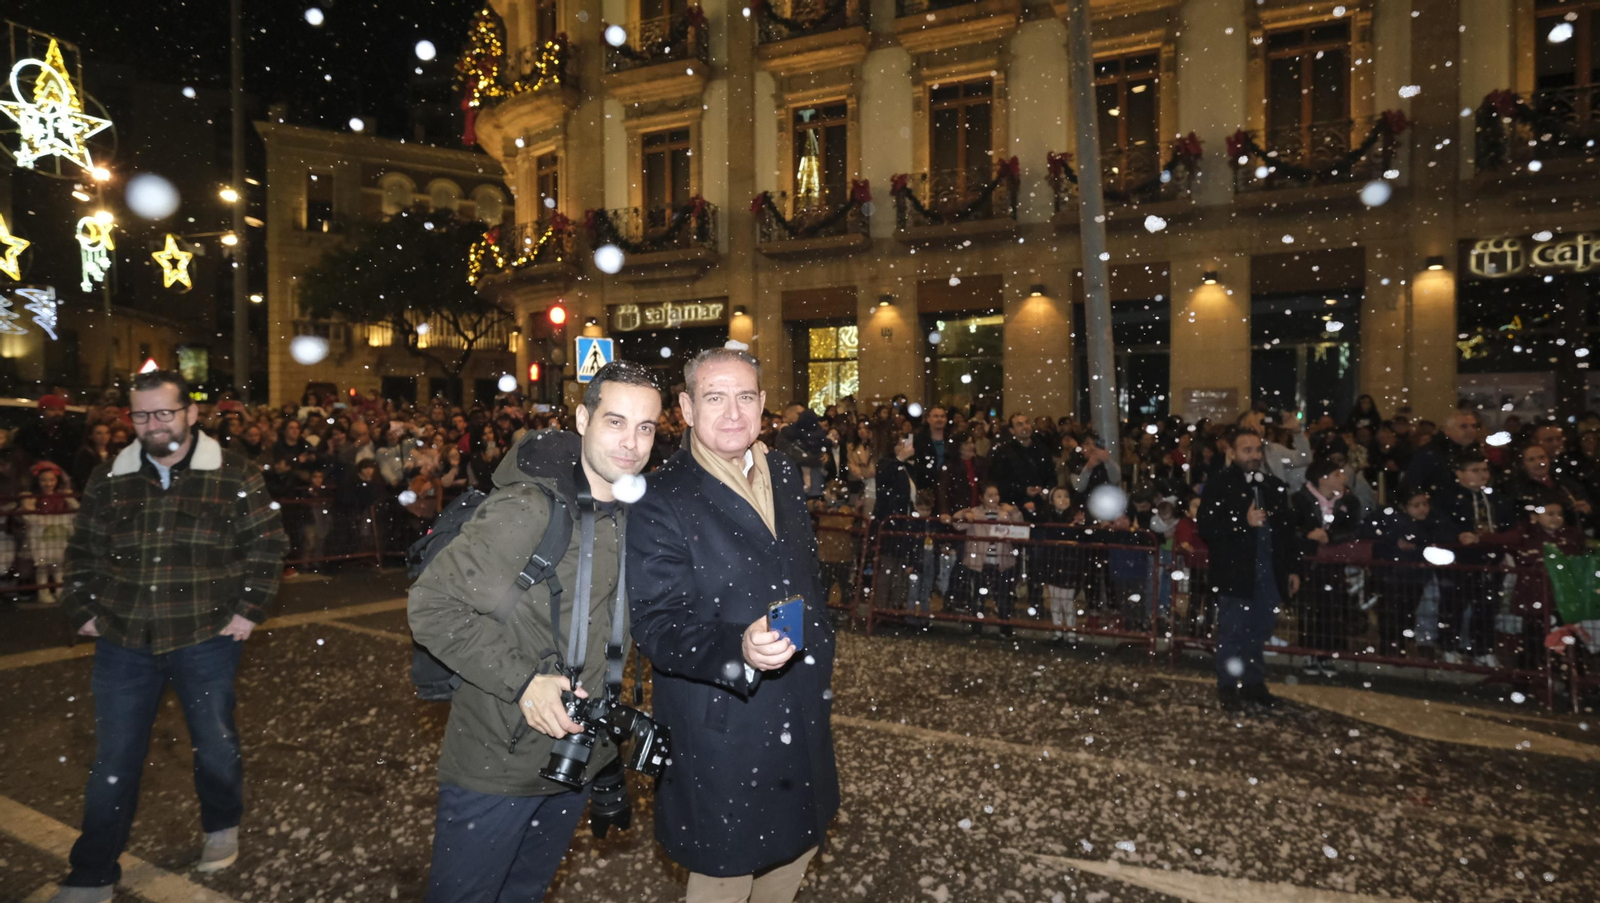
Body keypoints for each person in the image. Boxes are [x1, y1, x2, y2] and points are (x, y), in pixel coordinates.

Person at [408, 362, 662, 903]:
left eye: (645, 427)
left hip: (572, 760)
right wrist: (525, 681)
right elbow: (432, 606)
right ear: (582, 418)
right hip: (495, 764)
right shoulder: (528, 508)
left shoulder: (631, 515)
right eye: (616, 422)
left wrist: (607, 757)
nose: (631, 442)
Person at [51, 370, 288, 903]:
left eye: (163, 413)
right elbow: (82, 548)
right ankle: (92, 872)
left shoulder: (234, 474)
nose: (152, 425)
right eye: (140, 415)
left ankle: (222, 823)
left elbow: (268, 544)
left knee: (216, 746)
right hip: (124, 637)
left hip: (205, 635)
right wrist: (80, 606)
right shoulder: (110, 475)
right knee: (114, 760)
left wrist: (249, 610)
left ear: (191, 414)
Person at [627, 347, 838, 903]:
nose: (732, 413)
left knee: (795, 853)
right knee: (725, 871)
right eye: (714, 398)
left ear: (764, 404)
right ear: (687, 409)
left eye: (745, 397)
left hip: (799, 704)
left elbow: (799, 571)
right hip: (723, 723)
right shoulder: (660, 496)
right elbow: (656, 625)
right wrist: (736, 649)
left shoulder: (784, 471)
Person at [1197, 428, 1300, 712]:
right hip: (1235, 573)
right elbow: (1206, 529)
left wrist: (1292, 569)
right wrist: (1242, 521)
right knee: (1233, 631)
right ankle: (1228, 685)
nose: (1254, 456)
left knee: (1260, 630)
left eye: (1257, 450)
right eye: (1247, 450)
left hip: (1267, 573)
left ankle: (1255, 682)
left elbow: (1287, 534)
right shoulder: (1219, 485)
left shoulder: (1274, 486)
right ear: (1231, 452)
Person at [1433, 449, 1511, 667]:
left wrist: (1495, 539)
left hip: (1490, 559)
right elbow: (1439, 524)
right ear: (1459, 473)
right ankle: (1448, 647)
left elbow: (1507, 524)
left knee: (1487, 608)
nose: (1482, 475)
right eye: (1475, 470)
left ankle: (1483, 649)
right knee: (1453, 606)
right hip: (1459, 560)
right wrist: (1457, 535)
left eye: (1485, 469)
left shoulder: (1496, 497)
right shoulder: (1446, 496)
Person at [1287, 459, 1363, 674]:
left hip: (1333, 563)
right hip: (1308, 563)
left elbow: (1355, 529)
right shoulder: (1300, 499)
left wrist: (1330, 536)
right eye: (1338, 474)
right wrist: (1308, 534)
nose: (1344, 478)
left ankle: (1327, 654)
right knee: (1309, 609)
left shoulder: (1349, 501)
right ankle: (1310, 653)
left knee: (1332, 609)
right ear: (1323, 479)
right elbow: (1290, 527)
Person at [989, 412, 1054, 509]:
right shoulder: (1004, 452)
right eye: (1019, 425)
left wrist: (1044, 490)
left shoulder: (1042, 449)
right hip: (1014, 506)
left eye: (1027, 423)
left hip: (1040, 505)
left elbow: (1051, 477)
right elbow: (999, 482)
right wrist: (1023, 490)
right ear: (1012, 430)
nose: (1025, 427)